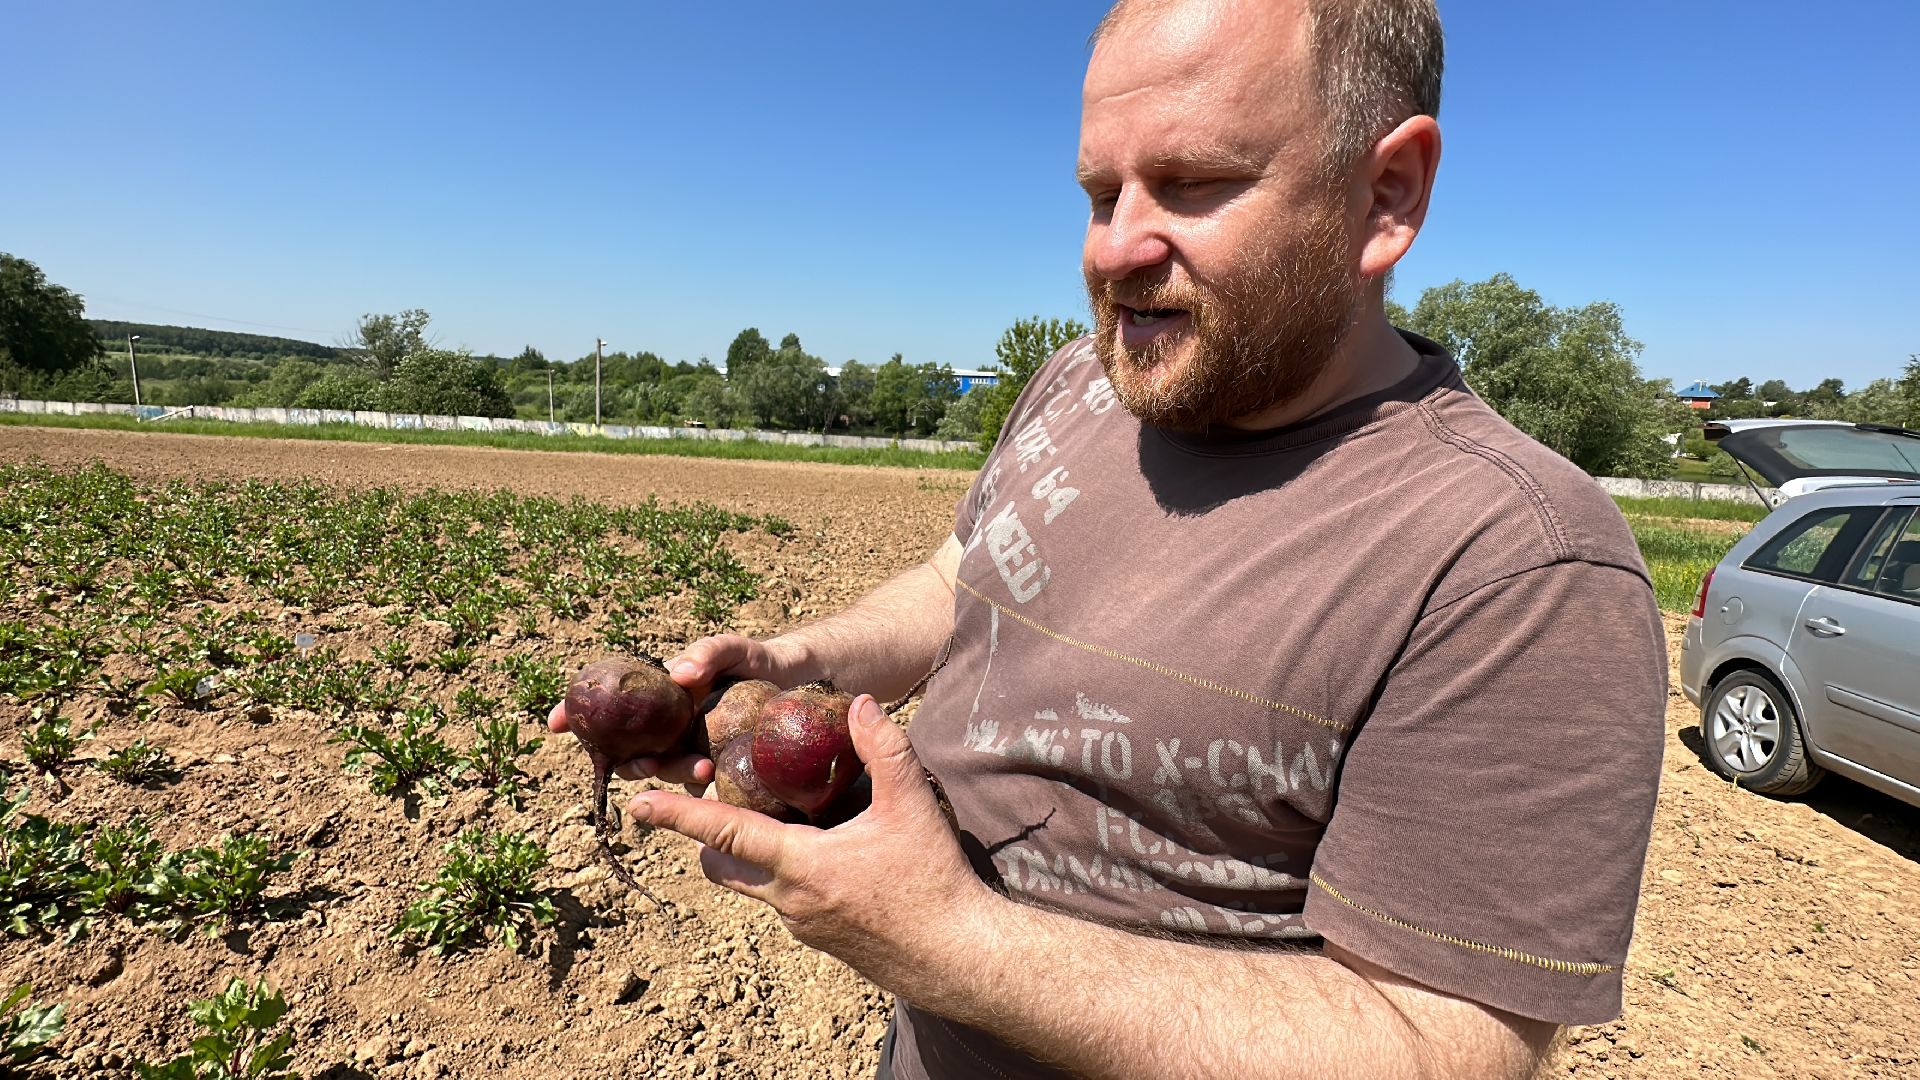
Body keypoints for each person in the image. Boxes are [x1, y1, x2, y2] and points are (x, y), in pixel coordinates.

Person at [552, 1, 1667, 1076]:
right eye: (1100, 193)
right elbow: (963, 577)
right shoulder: (1083, 386)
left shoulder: (1518, 562)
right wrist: (796, 664)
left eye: (1190, 184)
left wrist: (952, 944)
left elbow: (1440, 1049)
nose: (1116, 249)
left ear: (1386, 195)